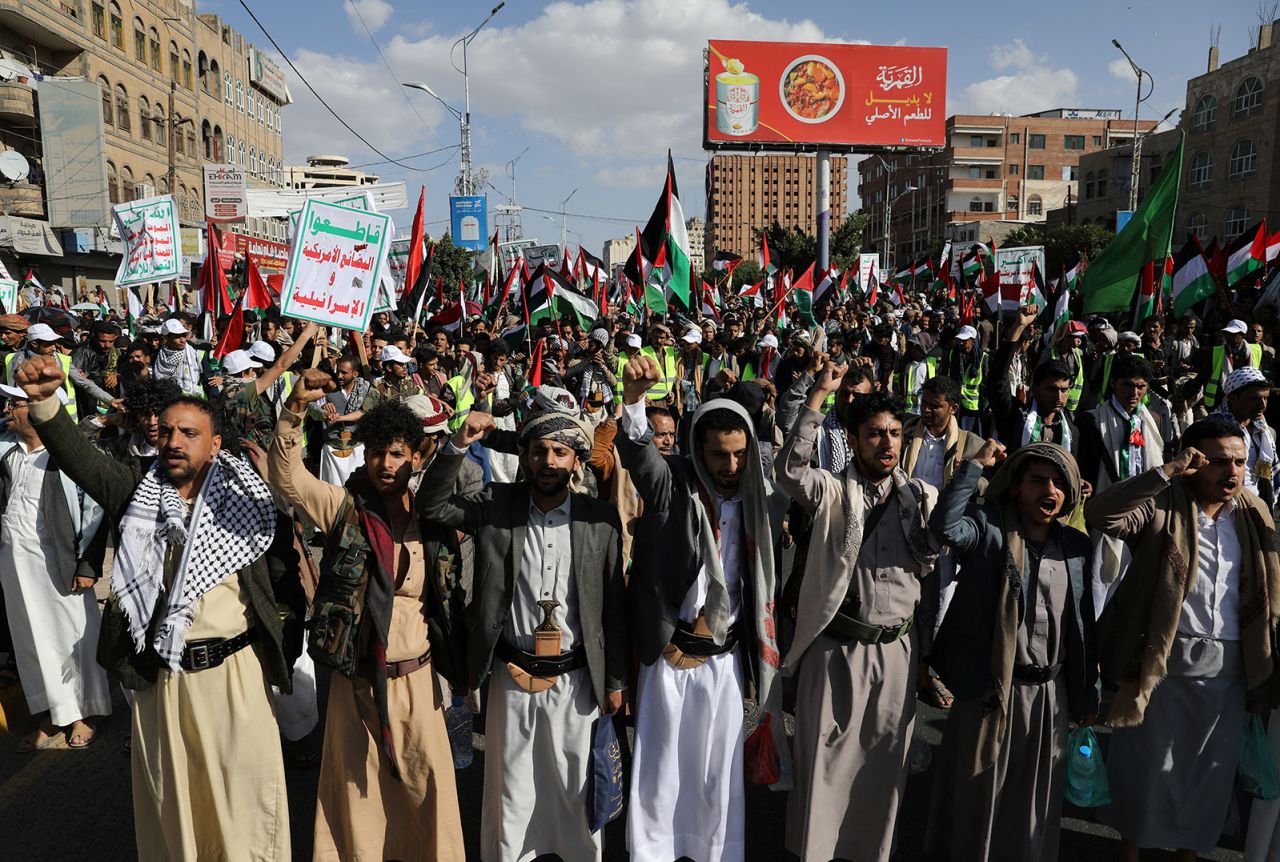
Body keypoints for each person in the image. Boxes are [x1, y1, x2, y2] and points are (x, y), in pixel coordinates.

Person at [15, 353, 305, 861]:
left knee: (246, 801)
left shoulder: (245, 499)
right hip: (162, 680)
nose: (173, 441)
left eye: (189, 433)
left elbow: (283, 582)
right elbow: (84, 463)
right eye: (167, 431)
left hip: (236, 675)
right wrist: (44, 402)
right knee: (176, 806)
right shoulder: (135, 491)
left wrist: (281, 642)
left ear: (215, 444)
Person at [269, 370, 466, 862]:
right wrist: (294, 409)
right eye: (377, 451)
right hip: (355, 682)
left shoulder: (432, 514)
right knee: (357, 798)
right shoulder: (344, 508)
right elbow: (288, 477)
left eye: (397, 452)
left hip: (418, 680)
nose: (385, 462)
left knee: (428, 791)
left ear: (417, 457)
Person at [420, 406, 628, 862]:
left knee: (577, 793)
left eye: (559, 452)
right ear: (526, 457)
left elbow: (613, 606)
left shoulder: (600, 519)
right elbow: (431, 505)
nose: (548, 461)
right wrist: (457, 444)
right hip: (511, 675)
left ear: (576, 460)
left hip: (576, 682)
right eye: (539, 451)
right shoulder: (497, 504)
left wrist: (615, 681)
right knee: (510, 793)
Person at [616, 352, 787, 862]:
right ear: (698, 450)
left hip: (723, 661)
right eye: (718, 456)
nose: (729, 466)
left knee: (717, 773)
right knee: (660, 769)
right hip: (670, 657)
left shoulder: (758, 496)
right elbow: (640, 455)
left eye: (738, 455)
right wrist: (633, 400)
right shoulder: (674, 484)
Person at [1085, 417, 1280, 862]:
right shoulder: (1163, 503)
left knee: (1204, 776)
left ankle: (1187, 855)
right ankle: (1130, 852)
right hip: (1161, 659)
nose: (1231, 471)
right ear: (1193, 460)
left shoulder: (1253, 512)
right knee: (1146, 768)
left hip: (1228, 666)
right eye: (1218, 461)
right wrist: (1165, 472)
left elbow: (1265, 592)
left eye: (1239, 461)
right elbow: (1101, 514)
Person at [777, 371, 938, 862]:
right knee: (822, 769)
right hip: (836, 652)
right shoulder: (829, 490)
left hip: (896, 655)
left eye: (894, 433)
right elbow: (787, 471)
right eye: (874, 433)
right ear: (853, 439)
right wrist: (819, 397)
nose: (886, 443)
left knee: (882, 769)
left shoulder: (920, 498)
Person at [925, 438, 1097, 861]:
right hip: (989, 690)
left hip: (1048, 700)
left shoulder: (1075, 547)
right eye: (1038, 481)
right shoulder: (989, 530)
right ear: (1016, 487)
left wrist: (1085, 693)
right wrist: (974, 466)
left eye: (1059, 484)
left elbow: (1080, 627)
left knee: (1032, 804)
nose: (1049, 491)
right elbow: (943, 527)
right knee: (977, 799)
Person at [0, 383, 111, 751]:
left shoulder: (69, 455)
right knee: (31, 640)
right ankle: (52, 711)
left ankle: (84, 713)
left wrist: (87, 564)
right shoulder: (9, 453)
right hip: (15, 566)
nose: (8, 409)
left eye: (15, 404)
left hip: (59, 565)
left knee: (70, 636)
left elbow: (97, 514)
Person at [900, 374, 985, 708]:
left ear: (953, 407)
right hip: (905, 527)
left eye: (935, 406)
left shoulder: (971, 444)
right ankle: (907, 664)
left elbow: (984, 487)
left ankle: (929, 670)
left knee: (940, 603)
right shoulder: (907, 432)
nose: (927, 410)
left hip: (944, 538)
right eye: (924, 403)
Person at [1076, 353, 1166, 611]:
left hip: (1146, 516)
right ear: (1113, 383)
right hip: (1107, 513)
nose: (1134, 392)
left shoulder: (1155, 420)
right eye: (1128, 385)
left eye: (1141, 386)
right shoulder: (1091, 420)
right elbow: (1086, 468)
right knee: (1101, 580)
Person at [1211, 366, 1279, 510]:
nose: (1262, 405)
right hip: (1226, 509)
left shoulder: (1265, 431)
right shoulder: (1211, 430)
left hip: (1260, 506)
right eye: (1254, 398)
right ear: (1232, 397)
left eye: (1265, 398)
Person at [69, 319, 122, 416]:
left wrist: (116, 375)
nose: (107, 345)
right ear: (94, 338)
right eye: (103, 341)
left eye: (111, 341)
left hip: (111, 405)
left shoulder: (116, 353)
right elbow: (78, 380)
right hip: (88, 407)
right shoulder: (83, 352)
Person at [151, 318, 205, 397]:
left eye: (184, 336)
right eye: (177, 337)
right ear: (167, 338)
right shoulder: (158, 356)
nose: (182, 340)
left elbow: (207, 379)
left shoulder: (195, 353)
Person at [362, 344, 422, 410]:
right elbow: (364, 411)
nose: (404, 367)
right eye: (400, 364)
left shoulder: (408, 382)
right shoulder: (378, 387)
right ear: (389, 368)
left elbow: (421, 397)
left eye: (404, 364)